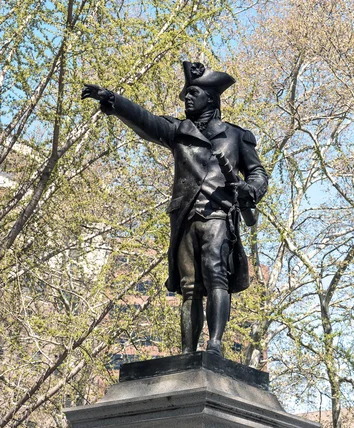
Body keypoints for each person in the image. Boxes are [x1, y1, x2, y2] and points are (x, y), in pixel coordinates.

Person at [82, 61, 268, 356]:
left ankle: (215, 344)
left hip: (218, 213)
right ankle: (187, 351)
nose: (187, 98)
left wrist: (250, 189)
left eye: (193, 92)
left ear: (211, 97)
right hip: (184, 216)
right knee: (190, 286)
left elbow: (258, 173)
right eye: (186, 94)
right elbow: (145, 120)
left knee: (216, 273)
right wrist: (113, 100)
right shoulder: (177, 131)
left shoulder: (236, 136)